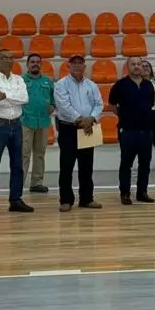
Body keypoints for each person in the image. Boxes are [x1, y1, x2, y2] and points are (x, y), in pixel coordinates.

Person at [0, 49, 35, 218]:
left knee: (18, 165)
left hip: (16, 124)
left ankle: (15, 199)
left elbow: (25, 98)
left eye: (11, 58)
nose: (9, 61)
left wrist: (5, 95)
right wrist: (12, 97)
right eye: (4, 58)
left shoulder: (18, 79)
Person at [54, 55, 104, 212]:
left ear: (84, 66)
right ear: (69, 66)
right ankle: (66, 200)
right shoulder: (61, 84)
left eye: (80, 63)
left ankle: (87, 199)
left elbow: (99, 104)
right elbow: (63, 106)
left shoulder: (91, 85)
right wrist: (80, 119)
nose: (77, 65)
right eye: (74, 63)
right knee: (66, 166)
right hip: (68, 128)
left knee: (87, 166)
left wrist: (92, 118)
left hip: (88, 128)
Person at [109, 57, 155, 205]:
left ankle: (142, 192)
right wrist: (124, 116)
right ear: (127, 66)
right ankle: (125, 193)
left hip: (146, 131)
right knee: (126, 164)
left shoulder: (148, 85)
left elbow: (150, 103)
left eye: (139, 64)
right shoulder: (120, 85)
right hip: (128, 131)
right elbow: (112, 105)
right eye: (133, 64)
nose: (136, 66)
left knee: (145, 164)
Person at [22, 53, 55, 193]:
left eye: (37, 62)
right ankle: (18, 183)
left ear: (41, 64)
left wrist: (53, 105)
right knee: (24, 154)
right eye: (32, 62)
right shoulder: (21, 81)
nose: (35, 64)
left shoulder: (48, 81)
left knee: (40, 153)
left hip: (43, 121)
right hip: (25, 121)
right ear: (27, 65)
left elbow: (54, 99)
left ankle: (36, 183)